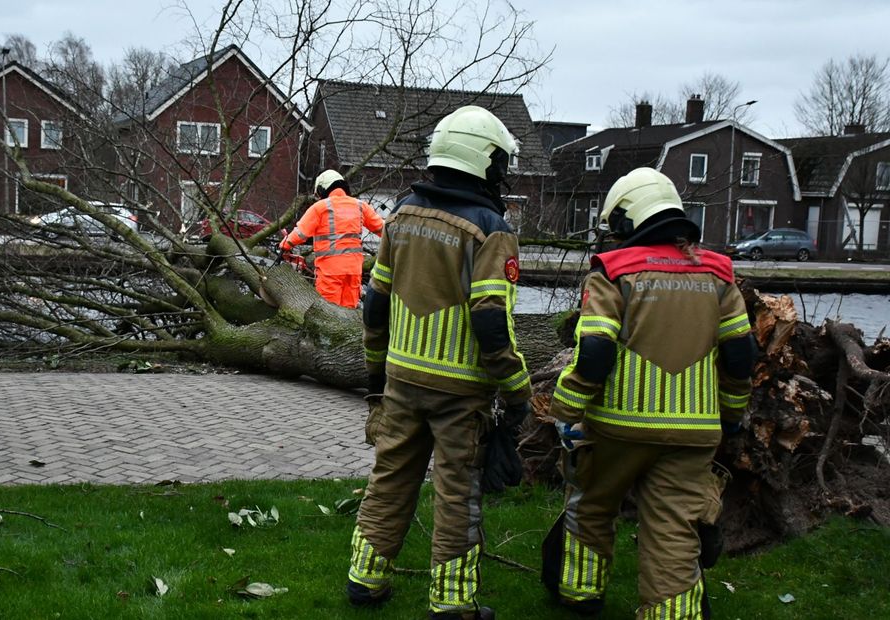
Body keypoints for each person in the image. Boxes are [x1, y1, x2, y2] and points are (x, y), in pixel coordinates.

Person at [541, 167, 756, 619]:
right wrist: (732, 413)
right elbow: (740, 355)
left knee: (592, 504)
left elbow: (596, 351)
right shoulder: (718, 274)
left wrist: (566, 407)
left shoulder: (614, 272)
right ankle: (673, 613)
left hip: (617, 429)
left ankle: (580, 594)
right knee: (675, 527)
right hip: (693, 432)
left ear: (626, 219)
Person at [346, 105, 532, 620]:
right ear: (484, 163)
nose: (503, 174)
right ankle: (452, 604)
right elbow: (492, 321)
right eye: (500, 164)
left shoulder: (401, 216)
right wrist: (518, 391)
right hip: (461, 393)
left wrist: (375, 381)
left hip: (402, 381)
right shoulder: (491, 230)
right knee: (457, 496)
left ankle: (365, 578)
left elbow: (376, 304)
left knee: (390, 477)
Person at [279, 170, 384, 308]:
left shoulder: (320, 207)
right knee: (349, 311)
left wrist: (283, 245)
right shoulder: (360, 206)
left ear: (322, 189)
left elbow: (300, 233)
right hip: (354, 270)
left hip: (330, 271)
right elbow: (384, 230)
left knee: (328, 312)